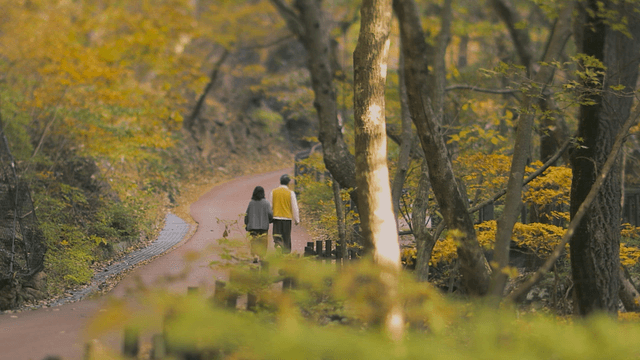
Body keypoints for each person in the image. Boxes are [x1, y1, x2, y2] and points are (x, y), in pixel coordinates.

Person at [268, 174, 300, 254]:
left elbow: (270, 206)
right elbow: (294, 207)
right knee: (286, 237)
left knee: (277, 236)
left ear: (280, 181)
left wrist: (269, 217)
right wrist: (297, 220)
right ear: (288, 183)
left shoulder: (273, 192)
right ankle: (286, 254)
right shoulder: (291, 193)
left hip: (276, 218)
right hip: (287, 219)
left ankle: (278, 245)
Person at [244, 186, 273, 261]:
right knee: (263, 242)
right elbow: (270, 213)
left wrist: (246, 224)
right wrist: (270, 220)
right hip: (263, 226)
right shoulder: (266, 203)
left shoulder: (251, 203)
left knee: (254, 241)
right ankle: (262, 256)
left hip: (253, 226)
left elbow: (246, 214)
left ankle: (255, 255)